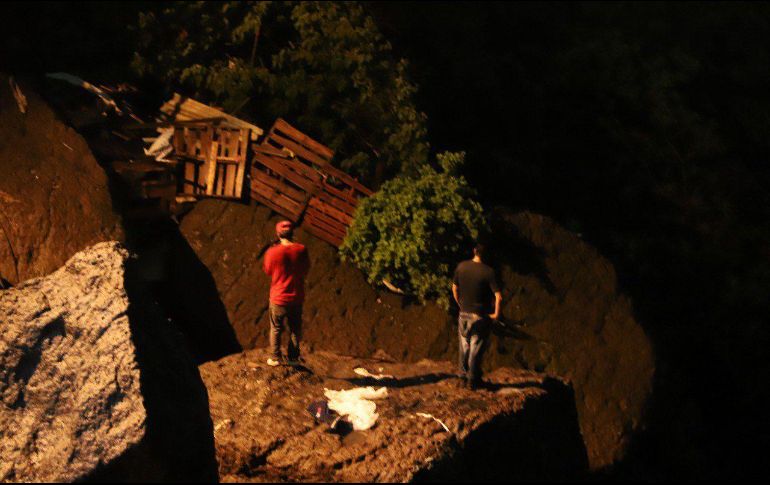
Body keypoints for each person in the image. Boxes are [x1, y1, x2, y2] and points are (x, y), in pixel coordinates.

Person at [451, 242, 502, 390]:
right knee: (475, 347)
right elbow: (498, 297)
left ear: (474, 251)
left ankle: (461, 377)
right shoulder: (488, 272)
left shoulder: (461, 266)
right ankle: (472, 380)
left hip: (464, 313)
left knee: (464, 345)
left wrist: (460, 304)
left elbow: (454, 288)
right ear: (486, 255)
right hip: (479, 315)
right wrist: (496, 314)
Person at [263, 220, 310, 367]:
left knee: (276, 328)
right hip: (296, 296)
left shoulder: (272, 252)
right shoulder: (302, 250)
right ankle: (293, 358)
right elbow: (306, 269)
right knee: (295, 329)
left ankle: (275, 357)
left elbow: (268, 271)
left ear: (278, 234)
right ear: (292, 233)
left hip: (278, 297)